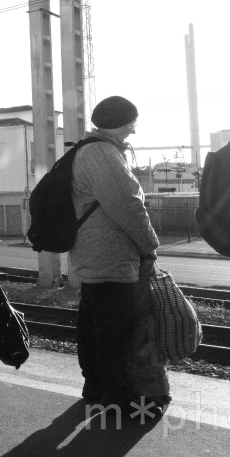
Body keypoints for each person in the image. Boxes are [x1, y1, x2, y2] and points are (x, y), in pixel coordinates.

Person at [69, 96, 168, 417]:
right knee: (114, 329)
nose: (133, 131)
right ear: (118, 124)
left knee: (94, 321)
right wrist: (150, 244)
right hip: (109, 254)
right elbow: (127, 205)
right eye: (131, 124)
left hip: (97, 252)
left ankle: (96, 387)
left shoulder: (93, 149)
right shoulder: (101, 153)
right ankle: (117, 397)